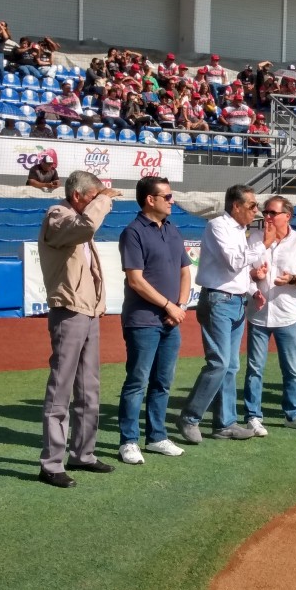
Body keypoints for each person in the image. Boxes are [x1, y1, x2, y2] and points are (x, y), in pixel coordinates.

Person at [37, 171, 122, 488]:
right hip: (69, 311)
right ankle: (51, 463)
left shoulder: (76, 221)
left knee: (89, 389)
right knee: (60, 390)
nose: (101, 202)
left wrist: (98, 306)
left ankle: (83, 453)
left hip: (87, 312)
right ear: (77, 196)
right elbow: (86, 225)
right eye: (93, 196)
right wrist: (101, 201)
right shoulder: (58, 216)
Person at [177, 185, 276, 443]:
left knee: (231, 365)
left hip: (236, 301)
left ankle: (225, 423)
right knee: (219, 363)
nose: (256, 210)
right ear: (236, 206)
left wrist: (253, 289)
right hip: (219, 301)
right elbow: (233, 261)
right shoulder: (218, 226)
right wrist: (263, 244)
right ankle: (190, 417)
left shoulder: (239, 230)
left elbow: (240, 271)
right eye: (252, 205)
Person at [116, 177, 191, 465]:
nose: (172, 200)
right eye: (167, 196)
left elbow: (186, 270)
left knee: (162, 381)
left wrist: (180, 306)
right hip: (143, 320)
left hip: (171, 320)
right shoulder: (133, 232)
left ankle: (157, 436)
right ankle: (129, 441)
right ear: (151, 199)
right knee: (137, 381)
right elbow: (135, 280)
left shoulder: (172, 230)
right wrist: (169, 306)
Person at [243, 195, 296, 435]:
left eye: (272, 213)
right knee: (255, 368)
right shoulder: (255, 239)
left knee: (292, 369)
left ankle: (292, 414)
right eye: (266, 212)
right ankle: (253, 416)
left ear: (287, 215)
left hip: (288, 314)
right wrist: (255, 288)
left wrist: (294, 279)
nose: (267, 216)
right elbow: (244, 272)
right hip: (259, 313)